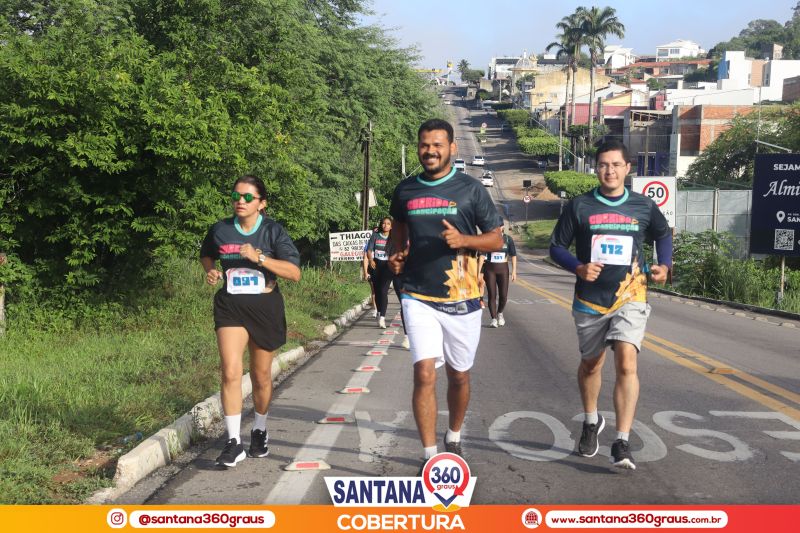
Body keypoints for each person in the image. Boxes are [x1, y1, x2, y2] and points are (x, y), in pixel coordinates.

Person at [549, 140, 672, 470]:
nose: (610, 171)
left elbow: (663, 234)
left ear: (627, 168)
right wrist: (578, 267)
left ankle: (622, 441)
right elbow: (556, 247)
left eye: (616, 164)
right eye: (603, 164)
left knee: (627, 362)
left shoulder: (643, 206)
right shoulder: (580, 206)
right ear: (596, 168)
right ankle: (591, 421)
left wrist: (664, 265)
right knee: (591, 365)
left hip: (631, 295)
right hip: (590, 300)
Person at [389, 118, 503, 471]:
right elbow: (398, 229)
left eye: (437, 145)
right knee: (424, 372)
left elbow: (496, 238)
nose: (430, 151)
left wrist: (464, 240)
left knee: (459, 375)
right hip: (417, 294)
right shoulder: (405, 190)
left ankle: (453, 436)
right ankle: (430, 458)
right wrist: (396, 254)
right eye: (424, 145)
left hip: (463, 296)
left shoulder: (471, 190)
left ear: (452, 148)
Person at [200, 175, 302, 468]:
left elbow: (294, 273)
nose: (240, 201)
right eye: (236, 196)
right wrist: (211, 271)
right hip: (230, 306)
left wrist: (260, 259)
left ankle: (259, 428)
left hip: (265, 308)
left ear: (262, 203)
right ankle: (233, 442)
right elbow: (206, 254)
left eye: (247, 197)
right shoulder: (220, 229)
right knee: (230, 371)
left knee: (261, 376)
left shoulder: (272, 231)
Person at [479, 227, 517, 327]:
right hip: (490, 269)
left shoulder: (508, 239)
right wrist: (478, 272)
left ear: (502, 227)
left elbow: (513, 255)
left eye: (499, 226)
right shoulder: (488, 239)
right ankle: (493, 319)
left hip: (503, 269)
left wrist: (514, 271)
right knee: (492, 295)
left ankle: (500, 313)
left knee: (503, 296)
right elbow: (482, 256)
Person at [366, 217, 394, 328]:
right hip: (376, 265)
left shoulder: (393, 237)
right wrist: (370, 260)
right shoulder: (375, 235)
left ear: (391, 226)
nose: (385, 225)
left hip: (388, 266)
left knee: (383, 291)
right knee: (377, 292)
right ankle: (378, 312)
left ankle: (382, 317)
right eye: (383, 223)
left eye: (388, 223)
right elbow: (369, 250)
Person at [362, 227, 379, 318]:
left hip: (382, 270)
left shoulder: (385, 242)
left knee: (381, 290)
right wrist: (365, 272)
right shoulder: (368, 244)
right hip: (371, 270)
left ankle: (381, 308)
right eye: (375, 232)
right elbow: (365, 258)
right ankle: (376, 309)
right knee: (374, 289)